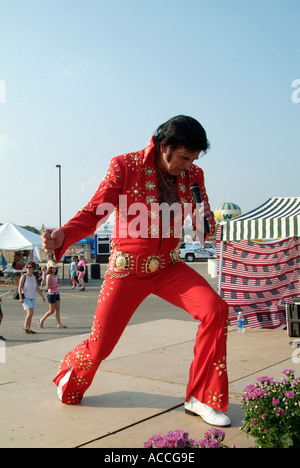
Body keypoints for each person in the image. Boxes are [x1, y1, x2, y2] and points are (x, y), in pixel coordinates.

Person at [41, 115, 231, 426]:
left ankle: (202, 397)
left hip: (168, 266)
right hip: (126, 268)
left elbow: (202, 234)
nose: (188, 164)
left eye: (193, 158)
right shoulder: (125, 166)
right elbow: (95, 211)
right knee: (101, 345)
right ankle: (69, 379)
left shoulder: (195, 175)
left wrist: (203, 221)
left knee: (215, 310)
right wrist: (64, 234)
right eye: (184, 157)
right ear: (164, 146)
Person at [37, 260, 67, 329]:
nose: (54, 269)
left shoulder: (55, 275)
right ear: (50, 268)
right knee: (51, 311)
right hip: (51, 294)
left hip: (56, 293)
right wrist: (56, 286)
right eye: (53, 268)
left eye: (55, 268)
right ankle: (41, 320)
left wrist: (57, 286)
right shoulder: (49, 276)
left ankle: (59, 323)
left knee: (57, 309)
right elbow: (47, 287)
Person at [19, 261, 46, 334]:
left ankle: (28, 328)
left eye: (30, 267)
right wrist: (20, 297)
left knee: (31, 313)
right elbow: (20, 287)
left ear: (33, 268)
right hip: (25, 297)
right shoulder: (24, 276)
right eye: (27, 267)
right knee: (30, 312)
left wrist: (42, 296)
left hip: (32, 297)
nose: (28, 269)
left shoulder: (33, 277)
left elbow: (37, 287)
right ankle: (25, 326)